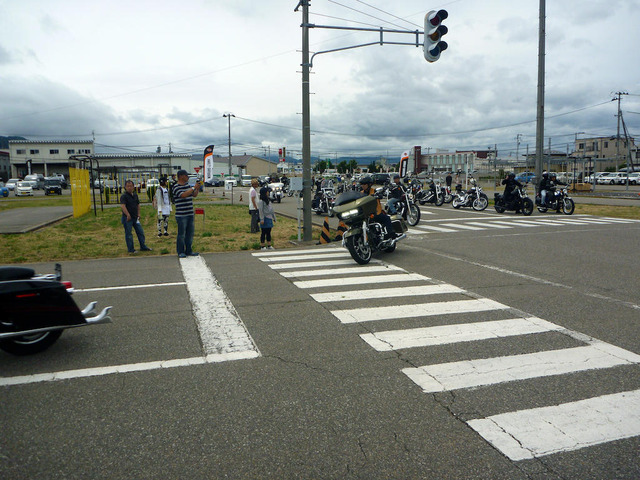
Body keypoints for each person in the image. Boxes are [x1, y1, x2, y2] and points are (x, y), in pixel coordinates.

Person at [172, 169, 200, 258]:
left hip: (190, 213)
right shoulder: (176, 187)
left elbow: (194, 195)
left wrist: (197, 189)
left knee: (189, 234)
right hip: (181, 215)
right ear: (180, 176)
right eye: (186, 175)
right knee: (181, 234)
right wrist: (193, 188)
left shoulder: (187, 185)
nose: (187, 177)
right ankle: (180, 251)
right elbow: (183, 195)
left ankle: (189, 250)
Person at [120, 179, 152, 254]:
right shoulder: (124, 196)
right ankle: (131, 249)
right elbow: (123, 206)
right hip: (127, 218)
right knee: (129, 234)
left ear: (133, 187)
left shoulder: (135, 195)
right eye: (128, 186)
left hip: (135, 217)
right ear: (125, 187)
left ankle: (143, 246)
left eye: (131, 186)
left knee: (140, 232)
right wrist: (127, 215)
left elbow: (138, 205)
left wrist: (139, 214)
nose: (129, 188)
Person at [258, 186, 276, 250]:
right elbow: (261, 211)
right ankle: (262, 245)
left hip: (269, 218)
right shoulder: (261, 201)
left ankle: (269, 245)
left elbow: (271, 210)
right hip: (264, 218)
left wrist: (274, 217)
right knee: (263, 232)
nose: (268, 192)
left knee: (269, 232)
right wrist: (262, 219)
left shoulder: (268, 200)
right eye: (267, 191)